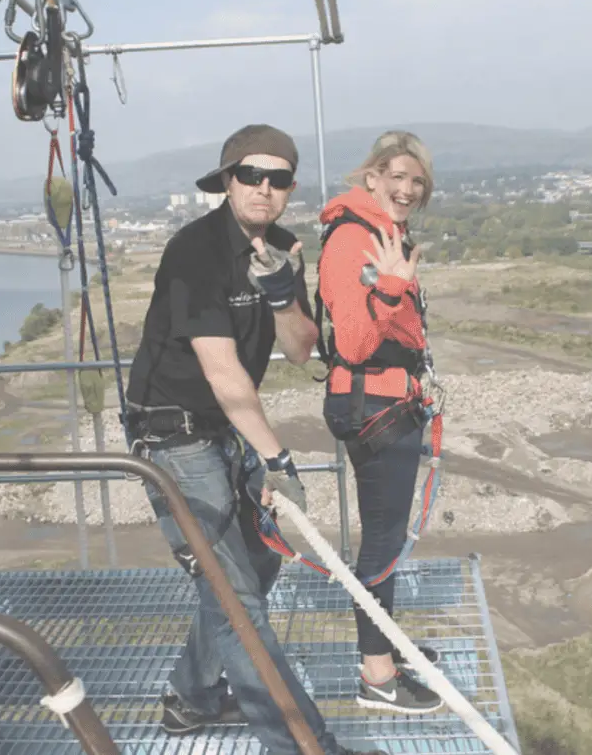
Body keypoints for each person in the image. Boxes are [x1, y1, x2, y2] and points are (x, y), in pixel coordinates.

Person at [125, 124, 386, 755]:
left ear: (289, 188)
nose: (264, 189)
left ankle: (189, 697)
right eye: (251, 175)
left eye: (278, 179)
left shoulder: (284, 248)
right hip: (172, 433)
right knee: (238, 601)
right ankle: (304, 746)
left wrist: (280, 296)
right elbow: (222, 373)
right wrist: (276, 456)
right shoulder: (195, 253)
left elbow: (300, 350)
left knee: (256, 562)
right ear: (226, 180)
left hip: (222, 428)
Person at [314, 131, 444, 715]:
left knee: (386, 538)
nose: (408, 189)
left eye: (417, 182)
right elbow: (357, 342)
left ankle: (385, 648)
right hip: (377, 408)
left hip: (391, 403)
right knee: (383, 545)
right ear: (370, 179)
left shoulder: (381, 234)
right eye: (396, 177)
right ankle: (377, 676)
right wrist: (393, 287)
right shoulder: (351, 240)